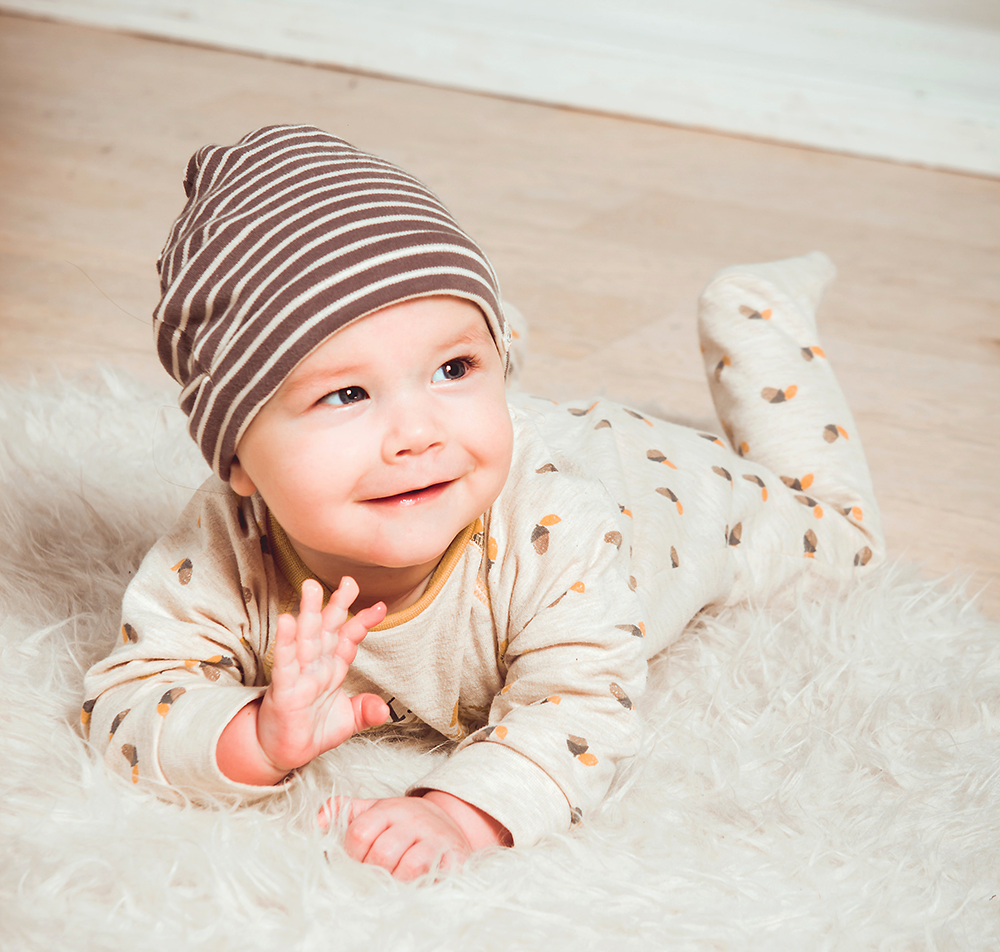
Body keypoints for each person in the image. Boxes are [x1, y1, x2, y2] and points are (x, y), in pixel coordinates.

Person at [83, 124, 883, 880]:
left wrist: (460, 814)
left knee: (842, 534)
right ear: (237, 460)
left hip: (653, 485)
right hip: (502, 444)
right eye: (348, 393)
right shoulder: (224, 546)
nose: (416, 435)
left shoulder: (561, 529)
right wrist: (252, 734)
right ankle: (485, 353)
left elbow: (579, 709)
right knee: (463, 417)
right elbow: (127, 703)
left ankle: (754, 316)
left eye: (454, 369)